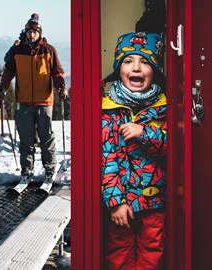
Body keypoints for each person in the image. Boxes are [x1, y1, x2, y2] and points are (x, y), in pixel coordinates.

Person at [101, 32, 167, 269]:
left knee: (152, 253)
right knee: (119, 254)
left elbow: (173, 146)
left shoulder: (164, 107)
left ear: (155, 69)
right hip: (122, 203)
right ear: (119, 68)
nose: (136, 68)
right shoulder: (109, 110)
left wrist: (144, 132)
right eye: (128, 61)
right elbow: (106, 158)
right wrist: (116, 202)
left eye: (145, 62)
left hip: (155, 201)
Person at [0, 13, 67, 183]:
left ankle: (49, 169)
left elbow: (57, 72)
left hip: (44, 101)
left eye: (35, 31)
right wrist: (2, 89)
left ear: (40, 33)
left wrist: (61, 87)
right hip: (24, 101)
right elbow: (8, 72)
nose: (32, 34)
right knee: (26, 138)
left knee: (46, 136)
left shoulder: (48, 50)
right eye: (29, 31)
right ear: (25, 32)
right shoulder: (18, 51)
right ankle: (26, 170)